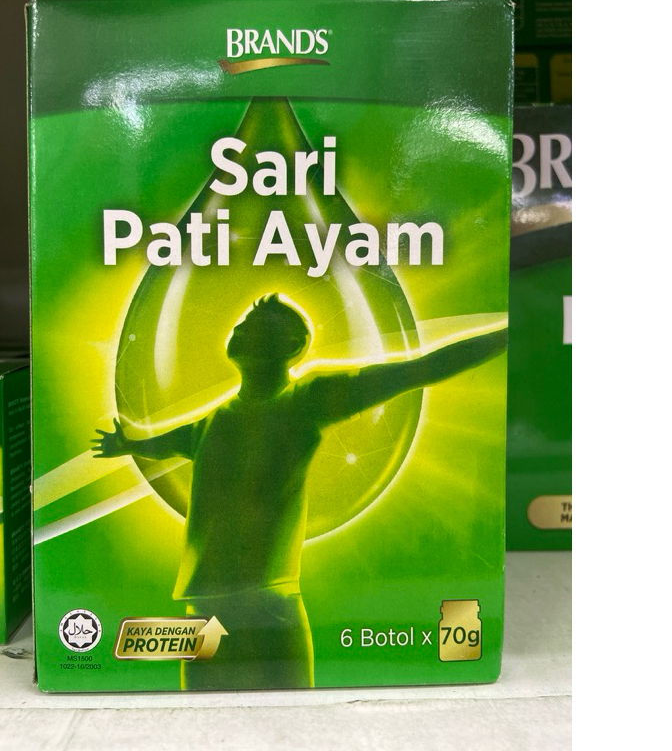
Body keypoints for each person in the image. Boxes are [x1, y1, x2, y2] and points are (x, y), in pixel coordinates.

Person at [93, 294, 507, 690]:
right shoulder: (213, 422)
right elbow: (166, 443)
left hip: (269, 598)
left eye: (256, 325)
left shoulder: (307, 399)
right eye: (242, 323)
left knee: (289, 704)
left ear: (291, 346)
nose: (239, 328)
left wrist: (503, 337)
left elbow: (420, 369)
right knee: (202, 711)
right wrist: (128, 444)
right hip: (204, 601)